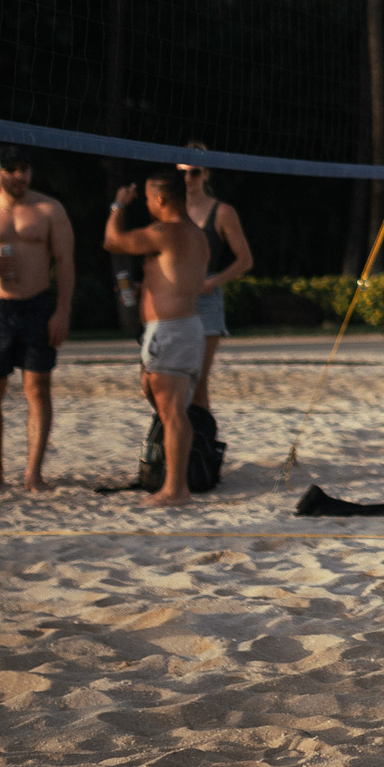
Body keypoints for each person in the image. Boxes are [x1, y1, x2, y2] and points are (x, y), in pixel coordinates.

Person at [0, 147, 74, 493]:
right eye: (11, 170)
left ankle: (33, 472)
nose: (19, 175)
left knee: (37, 390)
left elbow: (65, 261)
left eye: (24, 168)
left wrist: (62, 311)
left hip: (38, 306)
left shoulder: (49, 209)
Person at [103, 169, 210, 509]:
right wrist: (147, 289)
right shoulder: (195, 234)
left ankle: (175, 489)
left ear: (160, 200)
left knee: (173, 411)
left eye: (148, 199)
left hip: (172, 330)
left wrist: (118, 206)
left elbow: (112, 241)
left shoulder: (165, 231)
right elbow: (177, 278)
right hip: (183, 327)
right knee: (167, 405)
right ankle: (175, 482)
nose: (147, 204)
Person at [179, 148, 253, 412]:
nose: (188, 177)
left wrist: (214, 282)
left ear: (206, 174)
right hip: (175, 296)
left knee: (199, 382)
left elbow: (245, 260)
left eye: (194, 172)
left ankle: (203, 446)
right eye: (183, 172)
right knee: (170, 381)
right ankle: (179, 442)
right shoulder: (170, 209)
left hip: (206, 297)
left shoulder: (221, 212)